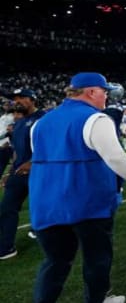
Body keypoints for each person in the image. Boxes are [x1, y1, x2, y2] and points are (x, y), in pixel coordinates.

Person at [29, 72, 126, 303]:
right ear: (91, 92)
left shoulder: (41, 122)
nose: (106, 97)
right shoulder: (96, 119)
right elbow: (116, 157)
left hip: (46, 204)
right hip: (88, 202)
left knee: (55, 262)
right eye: (104, 92)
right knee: (96, 258)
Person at [0, 89, 45, 259]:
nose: (17, 102)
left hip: (39, 171)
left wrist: (33, 162)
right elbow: (17, 150)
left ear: (32, 99)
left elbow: (53, 145)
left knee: (42, 207)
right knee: (6, 208)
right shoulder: (18, 123)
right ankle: (6, 247)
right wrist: (10, 170)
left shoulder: (44, 118)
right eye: (15, 99)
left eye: (21, 98)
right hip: (18, 172)